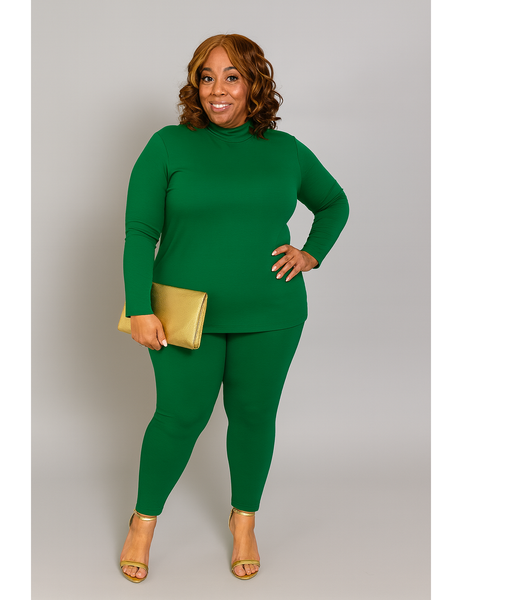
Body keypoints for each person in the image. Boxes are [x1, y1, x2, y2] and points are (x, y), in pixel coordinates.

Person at [119, 33, 349, 583]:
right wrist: (138, 307)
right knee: (179, 418)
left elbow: (333, 202)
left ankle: (244, 521)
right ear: (194, 85)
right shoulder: (168, 145)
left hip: (271, 312)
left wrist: (311, 253)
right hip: (183, 315)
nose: (217, 90)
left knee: (253, 417)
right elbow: (139, 233)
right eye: (206, 77)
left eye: (231, 77)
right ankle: (143, 522)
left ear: (253, 85)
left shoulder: (286, 150)